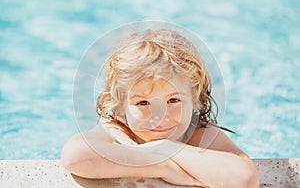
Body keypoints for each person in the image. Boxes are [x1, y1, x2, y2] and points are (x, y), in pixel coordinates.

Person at [61, 29, 259, 187]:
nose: (159, 116)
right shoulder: (118, 131)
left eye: (173, 101)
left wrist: (166, 149)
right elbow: (75, 157)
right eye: (143, 103)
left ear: (195, 100)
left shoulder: (198, 134)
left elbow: (244, 180)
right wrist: (161, 165)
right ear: (120, 108)